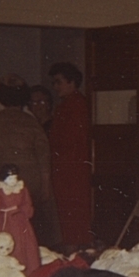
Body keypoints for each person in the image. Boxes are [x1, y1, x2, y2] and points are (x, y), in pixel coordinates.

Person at [0, 73, 59, 247]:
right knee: (35, 226)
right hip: (31, 180)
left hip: (3, 179)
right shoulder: (30, 121)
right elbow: (43, 154)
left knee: (7, 224)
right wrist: (46, 186)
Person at [48, 62, 92, 248]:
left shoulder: (76, 105)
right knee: (68, 209)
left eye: (59, 82)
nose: (56, 87)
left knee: (73, 209)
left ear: (72, 82)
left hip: (71, 167)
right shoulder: (67, 105)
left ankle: (77, 247)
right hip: (66, 167)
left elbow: (70, 139)